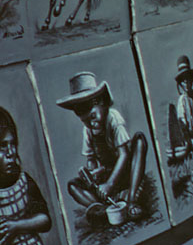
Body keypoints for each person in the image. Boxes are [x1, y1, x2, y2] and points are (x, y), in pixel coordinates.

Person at [56, 72, 147, 226]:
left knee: (139, 140)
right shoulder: (88, 131)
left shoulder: (113, 118)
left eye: (93, 116)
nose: (92, 124)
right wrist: (94, 174)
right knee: (72, 185)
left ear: (102, 104)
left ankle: (131, 201)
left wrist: (110, 184)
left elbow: (124, 155)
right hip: (107, 174)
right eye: (85, 121)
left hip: (125, 171)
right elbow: (91, 159)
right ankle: (103, 209)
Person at [0, 107, 51, 245]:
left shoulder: (24, 180)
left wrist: (16, 226)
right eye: (2, 146)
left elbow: (45, 221)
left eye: (12, 144)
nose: (11, 152)